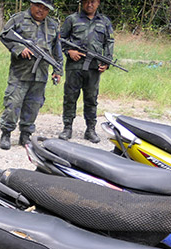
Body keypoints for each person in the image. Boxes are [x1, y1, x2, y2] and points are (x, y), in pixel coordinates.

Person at [0, 0, 62, 150]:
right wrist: (19, 48)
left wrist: (58, 70)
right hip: (20, 72)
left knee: (33, 105)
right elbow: (4, 35)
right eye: (38, 6)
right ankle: (6, 133)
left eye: (45, 8)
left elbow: (56, 49)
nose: (41, 10)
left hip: (41, 73)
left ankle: (25, 135)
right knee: (13, 103)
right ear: (32, 4)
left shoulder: (52, 25)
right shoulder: (19, 19)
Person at [58, 0, 114, 143]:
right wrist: (69, 51)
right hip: (74, 66)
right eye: (87, 1)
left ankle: (90, 130)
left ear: (98, 2)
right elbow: (60, 40)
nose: (90, 4)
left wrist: (106, 62)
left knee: (91, 99)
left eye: (93, 1)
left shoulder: (105, 22)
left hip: (94, 67)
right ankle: (67, 128)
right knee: (70, 97)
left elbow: (109, 42)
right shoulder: (72, 19)